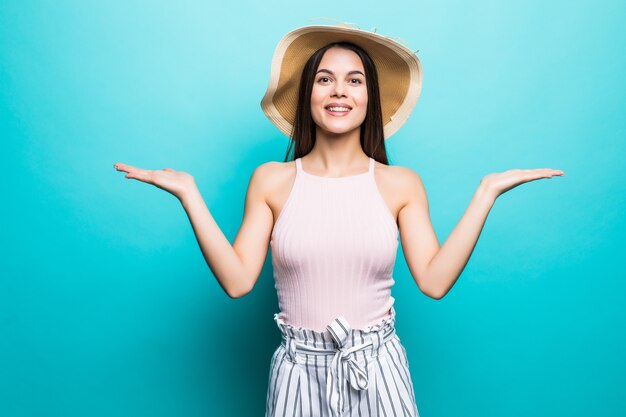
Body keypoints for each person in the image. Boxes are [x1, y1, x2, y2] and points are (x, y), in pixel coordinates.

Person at [113, 22, 564, 417]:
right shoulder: (271, 181)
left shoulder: (400, 184)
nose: (339, 91)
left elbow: (434, 280)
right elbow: (236, 282)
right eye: (325, 79)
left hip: (378, 368)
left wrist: (487, 192)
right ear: (307, 94)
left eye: (354, 80)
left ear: (370, 97)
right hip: (297, 374)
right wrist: (189, 194)